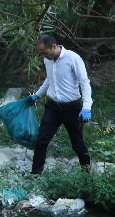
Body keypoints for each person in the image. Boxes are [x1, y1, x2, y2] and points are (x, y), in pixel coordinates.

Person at [27, 34, 93, 175]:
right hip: (53, 107)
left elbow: (84, 82)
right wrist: (36, 96)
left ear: (54, 46)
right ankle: (35, 175)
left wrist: (87, 107)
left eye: (44, 52)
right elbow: (49, 80)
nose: (43, 56)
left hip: (72, 108)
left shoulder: (72, 58)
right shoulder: (48, 59)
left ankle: (86, 175)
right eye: (41, 53)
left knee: (77, 143)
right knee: (41, 140)